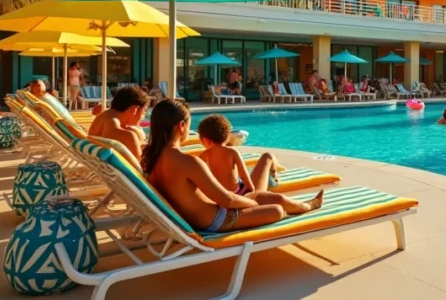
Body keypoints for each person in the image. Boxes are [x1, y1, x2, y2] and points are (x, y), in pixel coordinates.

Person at [142, 100, 323, 233]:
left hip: (195, 218)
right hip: (218, 220)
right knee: (276, 209)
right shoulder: (188, 162)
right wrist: (250, 203)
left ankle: (307, 204)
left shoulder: (152, 159)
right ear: (182, 126)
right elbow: (226, 200)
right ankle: (308, 205)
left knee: (264, 197)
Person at [197, 114, 281, 196]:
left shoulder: (205, 155)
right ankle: (272, 177)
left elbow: (198, 173)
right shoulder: (232, 152)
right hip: (239, 193)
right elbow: (244, 175)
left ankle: (271, 177)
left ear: (206, 140)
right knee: (268, 156)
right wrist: (252, 191)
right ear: (227, 137)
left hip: (221, 195)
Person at [88, 86, 152, 160]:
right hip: (113, 170)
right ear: (134, 110)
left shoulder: (105, 116)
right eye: (144, 113)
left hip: (101, 165)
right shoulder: (127, 134)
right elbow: (140, 164)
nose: (142, 117)